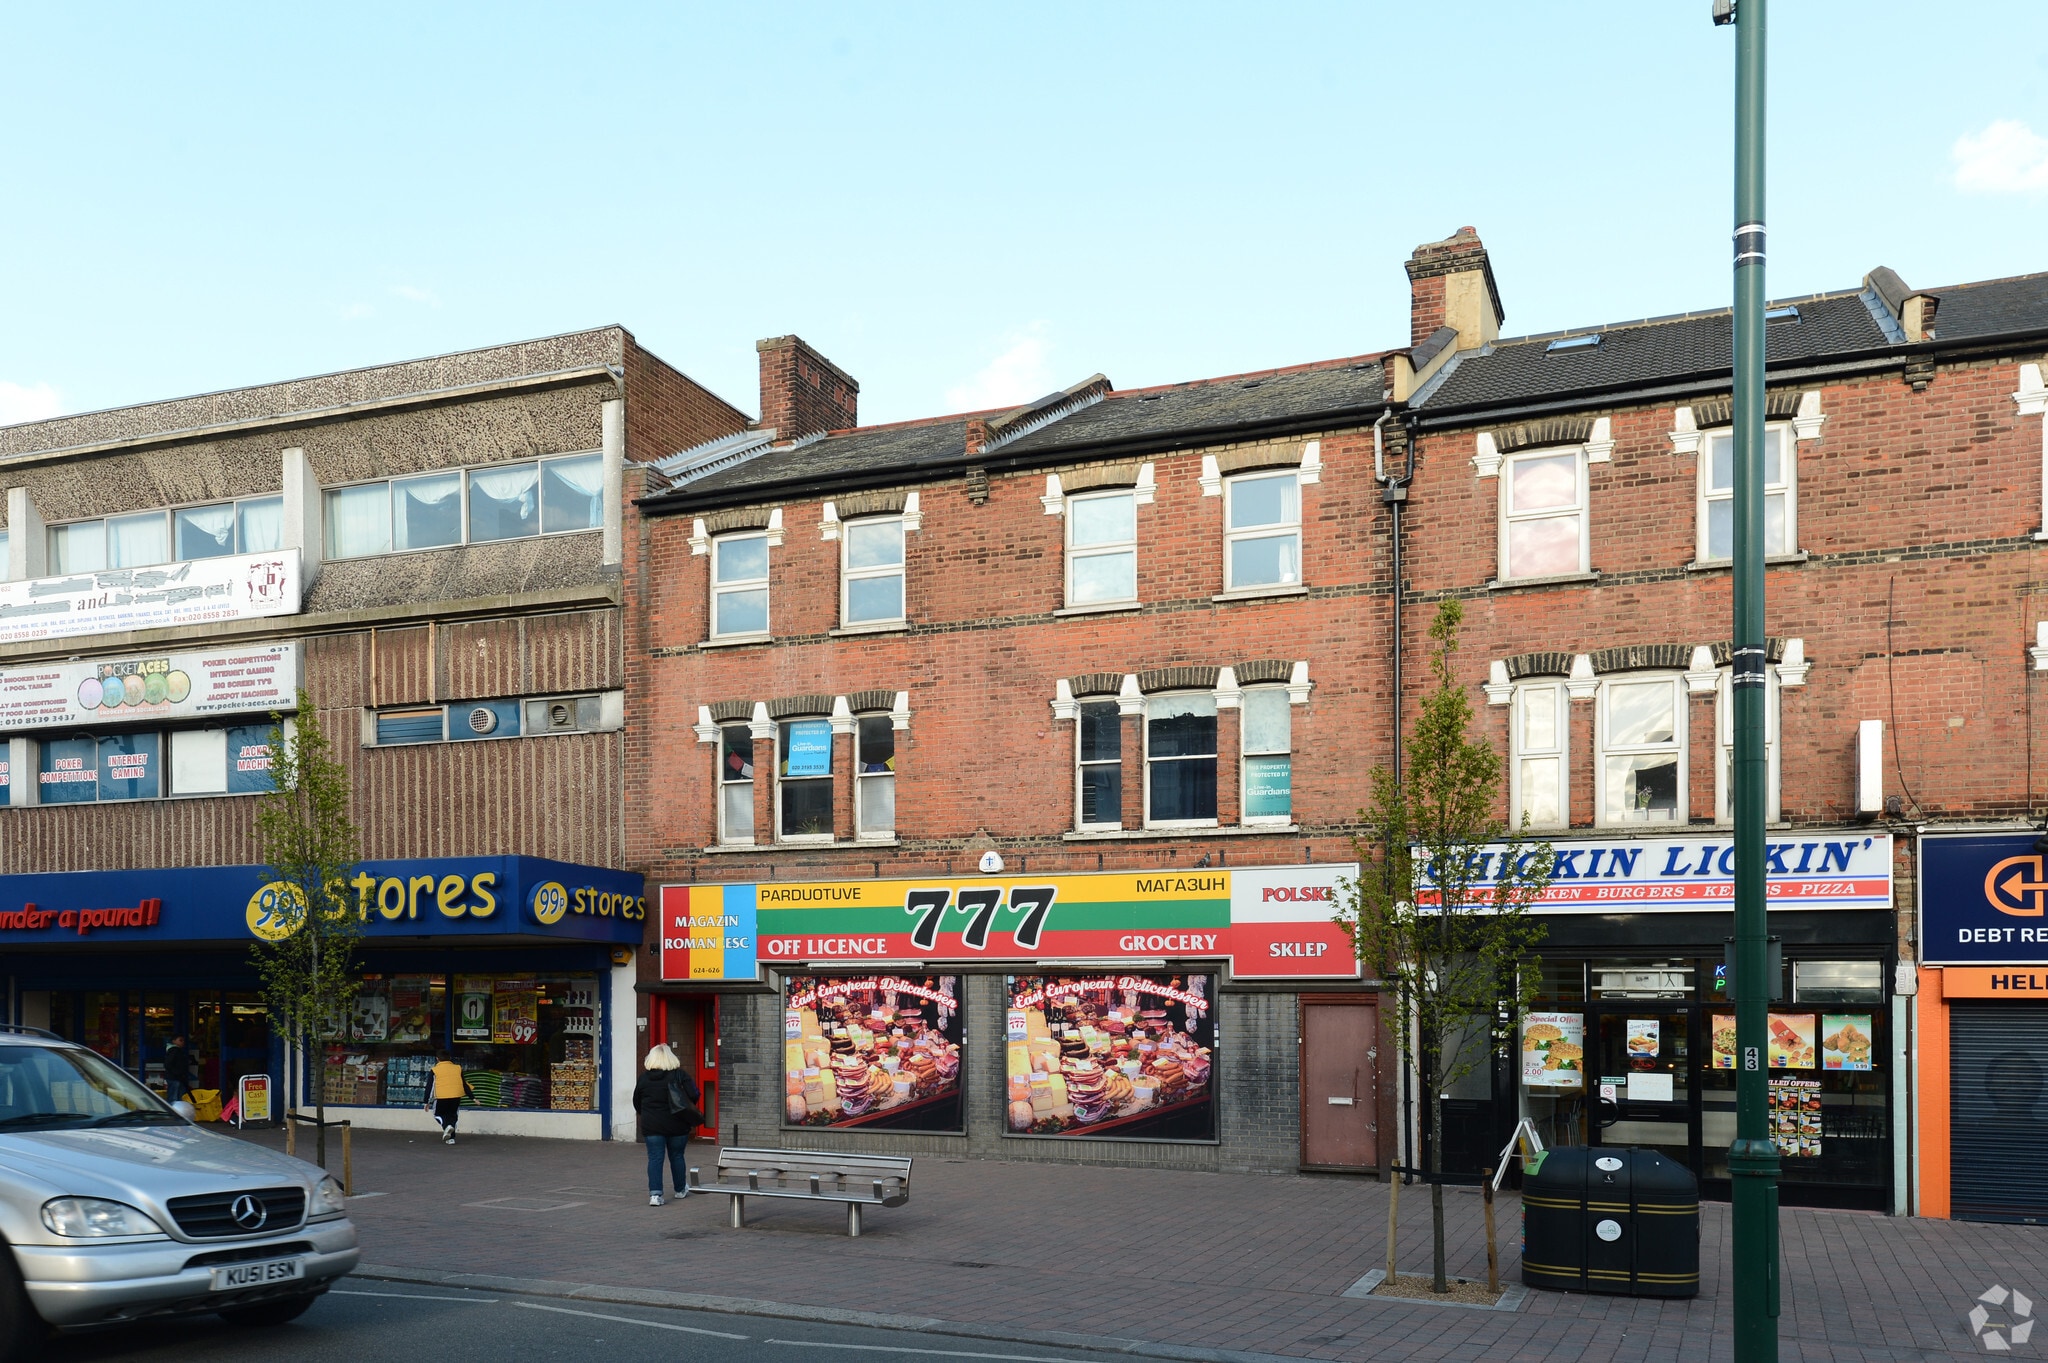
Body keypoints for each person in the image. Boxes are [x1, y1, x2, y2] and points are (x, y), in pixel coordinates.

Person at [633, 1044, 701, 1206]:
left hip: (652, 1125)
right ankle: (680, 1189)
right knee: (677, 1156)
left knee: (655, 1158)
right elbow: (694, 1094)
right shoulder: (680, 1075)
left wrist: (648, 1114)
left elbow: (636, 1101)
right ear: (671, 1058)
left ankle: (655, 1195)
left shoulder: (644, 1078)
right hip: (677, 1124)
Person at [429, 1052, 469, 1145]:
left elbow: (430, 1086)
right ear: (450, 1058)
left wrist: (426, 1101)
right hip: (456, 1096)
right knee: (452, 1115)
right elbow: (464, 1083)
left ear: (437, 1059)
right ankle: (451, 1138)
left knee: (437, 1114)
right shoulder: (457, 1068)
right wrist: (472, 1097)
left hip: (441, 1096)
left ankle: (446, 1126)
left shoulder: (435, 1070)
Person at [162, 1035, 195, 1104]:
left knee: (179, 1097)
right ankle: (173, 1112)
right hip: (175, 1078)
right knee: (174, 1098)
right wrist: (177, 1073)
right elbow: (168, 1064)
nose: (183, 1042)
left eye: (183, 1040)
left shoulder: (177, 1051)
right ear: (173, 1041)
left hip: (178, 1077)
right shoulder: (173, 1051)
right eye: (180, 1040)